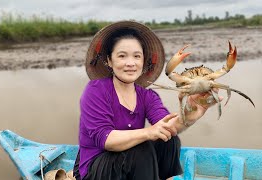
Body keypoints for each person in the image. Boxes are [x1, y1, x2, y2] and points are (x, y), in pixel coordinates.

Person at [73, 21, 219, 180]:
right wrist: (148, 132)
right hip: (93, 168)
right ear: (109, 60)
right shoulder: (96, 90)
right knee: (142, 148)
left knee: (168, 140)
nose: (131, 63)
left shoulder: (147, 96)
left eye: (137, 56)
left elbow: (166, 125)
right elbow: (105, 139)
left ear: (143, 62)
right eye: (122, 56)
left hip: (128, 161)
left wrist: (190, 114)